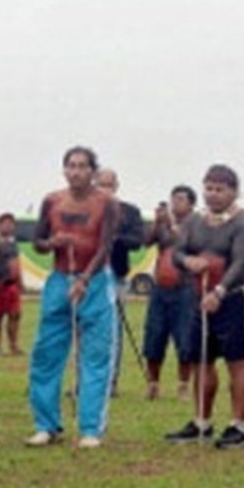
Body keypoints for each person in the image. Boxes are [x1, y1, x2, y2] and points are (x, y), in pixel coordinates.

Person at [26, 146, 119, 449]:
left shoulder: (106, 204)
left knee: (94, 354)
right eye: (71, 166)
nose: (76, 172)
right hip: (58, 280)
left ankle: (91, 427)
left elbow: (106, 246)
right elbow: (37, 242)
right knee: (46, 352)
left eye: (82, 166)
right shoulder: (52, 201)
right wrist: (52, 242)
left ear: (93, 170)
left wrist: (85, 278)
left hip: (94, 281)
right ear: (64, 169)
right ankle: (46, 424)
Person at [164, 165, 244, 450]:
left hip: (234, 300)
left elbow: (240, 262)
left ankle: (237, 425)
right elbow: (178, 251)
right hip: (199, 296)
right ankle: (201, 421)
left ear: (234, 191)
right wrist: (187, 262)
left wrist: (220, 291)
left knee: (237, 361)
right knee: (201, 360)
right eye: (209, 188)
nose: (213, 195)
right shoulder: (194, 221)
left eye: (220, 189)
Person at [142, 185, 198, 400]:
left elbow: (188, 243)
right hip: (160, 288)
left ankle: (183, 384)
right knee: (154, 335)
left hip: (185, 288)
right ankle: (153, 383)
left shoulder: (196, 223)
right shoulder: (163, 224)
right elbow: (145, 242)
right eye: (173, 200)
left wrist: (172, 225)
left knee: (185, 338)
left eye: (181, 200)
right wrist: (157, 223)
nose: (175, 204)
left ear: (191, 204)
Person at [94, 168, 145, 396]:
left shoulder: (129, 212)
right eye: (100, 184)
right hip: (88, 276)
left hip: (116, 275)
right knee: (85, 330)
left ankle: (110, 382)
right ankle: (84, 381)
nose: (105, 188)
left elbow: (137, 241)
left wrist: (114, 237)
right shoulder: (86, 209)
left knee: (113, 330)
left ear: (116, 186)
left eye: (109, 184)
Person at [0, 213, 24, 355]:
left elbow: (16, 263)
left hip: (13, 285)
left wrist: (21, 281)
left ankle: (13, 345)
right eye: (6, 223)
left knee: (15, 314)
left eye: (11, 224)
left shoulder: (13, 243)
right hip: (0, 284)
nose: (9, 226)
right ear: (0, 225)